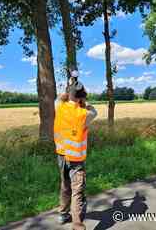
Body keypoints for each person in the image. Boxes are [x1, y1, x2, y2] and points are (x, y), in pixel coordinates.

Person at [54, 80, 98, 230]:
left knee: (65, 186)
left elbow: (60, 97)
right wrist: (84, 100)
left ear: (68, 94)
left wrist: (70, 87)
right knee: (77, 192)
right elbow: (94, 111)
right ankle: (77, 225)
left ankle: (63, 214)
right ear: (82, 96)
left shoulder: (59, 106)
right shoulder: (85, 114)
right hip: (76, 160)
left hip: (61, 155)